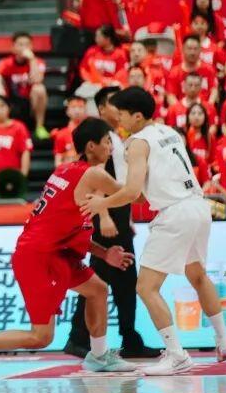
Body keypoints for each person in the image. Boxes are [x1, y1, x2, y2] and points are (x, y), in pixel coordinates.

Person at [0, 118, 138, 377]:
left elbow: (66, 229)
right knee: (41, 337)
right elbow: (133, 194)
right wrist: (140, 158)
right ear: (91, 146)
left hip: (54, 251)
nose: (111, 147)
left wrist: (104, 253)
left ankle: (99, 356)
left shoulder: (64, 170)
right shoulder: (94, 174)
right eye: (107, 141)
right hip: (38, 257)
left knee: (97, 290)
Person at [80, 87, 226, 375]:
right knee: (197, 275)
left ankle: (176, 355)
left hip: (175, 214)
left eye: (122, 115)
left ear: (137, 116)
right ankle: (224, 342)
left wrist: (102, 202)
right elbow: (141, 194)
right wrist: (118, 192)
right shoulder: (169, 132)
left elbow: (132, 193)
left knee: (146, 287)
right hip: (198, 207)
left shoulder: (137, 143)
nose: (119, 120)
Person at [67, 87, 162, 359]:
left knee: (118, 279)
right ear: (101, 108)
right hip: (105, 213)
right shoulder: (100, 138)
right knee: (102, 278)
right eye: (113, 104)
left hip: (117, 210)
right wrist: (105, 216)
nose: (119, 108)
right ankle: (84, 337)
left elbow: (116, 180)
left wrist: (124, 217)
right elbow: (97, 178)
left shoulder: (114, 137)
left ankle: (124, 337)